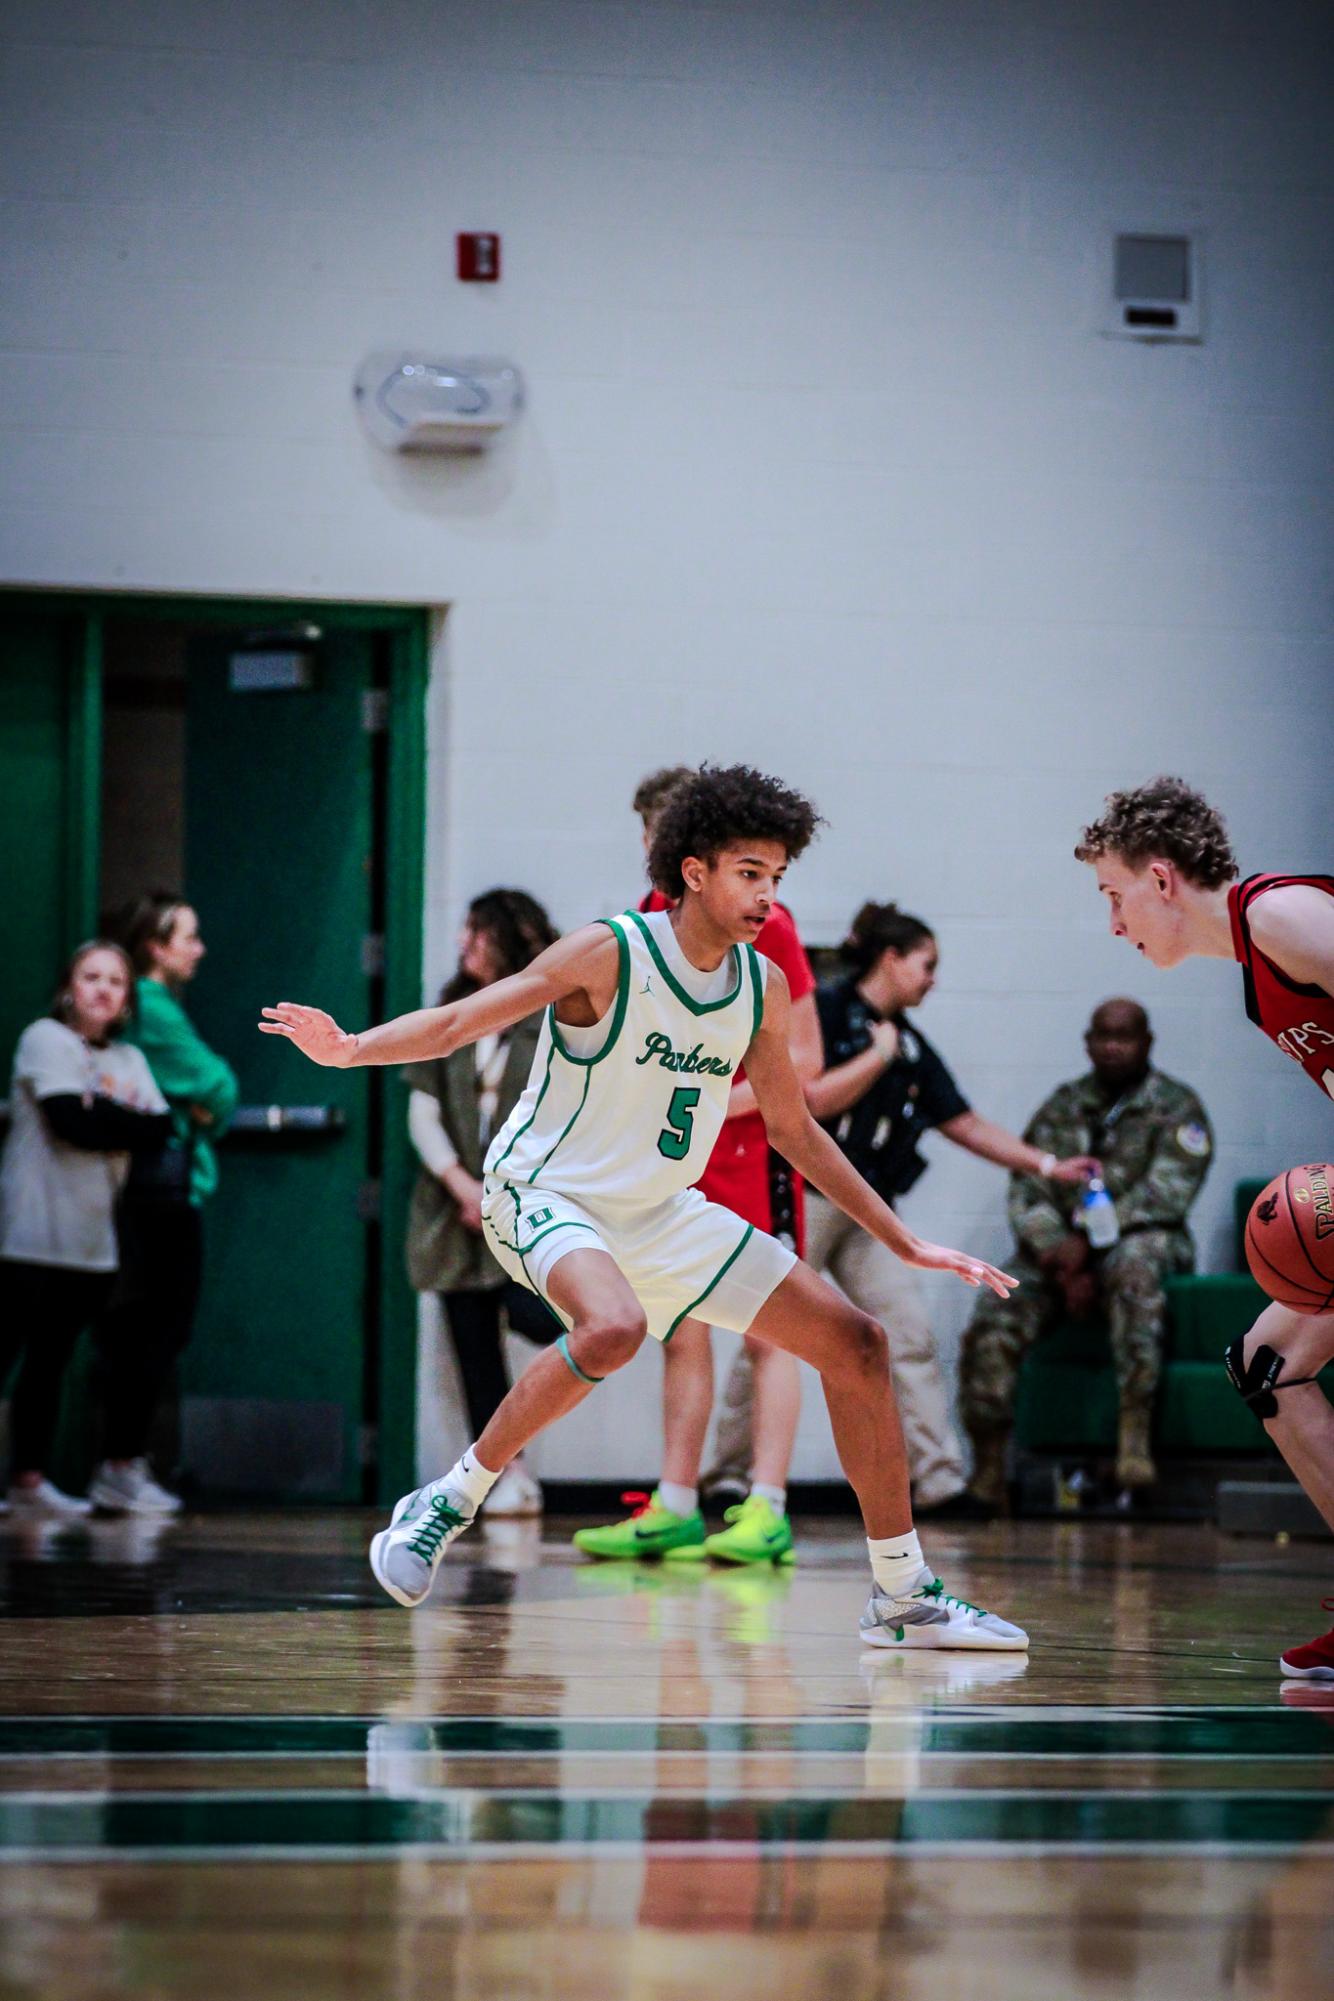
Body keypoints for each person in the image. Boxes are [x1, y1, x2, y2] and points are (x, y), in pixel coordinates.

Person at [264, 764, 1028, 1653]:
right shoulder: (609, 950)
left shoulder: (760, 986)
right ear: (694, 869)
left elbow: (796, 1128)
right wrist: (351, 1047)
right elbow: (465, 1019)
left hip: (663, 1210)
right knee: (614, 1325)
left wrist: (906, 1241)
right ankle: (449, 1499)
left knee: (858, 1344)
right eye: (750, 872)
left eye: (778, 877)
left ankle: (903, 1595)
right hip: (545, 1191)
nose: (768, 896)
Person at [1074, 775, 1333, 1678]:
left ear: (1158, 878)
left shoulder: (1281, 917)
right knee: (1267, 1364)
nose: (1115, 925)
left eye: (1114, 897)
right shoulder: (1259, 980)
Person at [574, 767, 822, 1567]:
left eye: (665, 836)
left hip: (754, 1158)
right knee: (675, 1325)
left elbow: (806, 1062)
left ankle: (768, 1505)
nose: (658, 853)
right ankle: (675, 1502)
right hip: (675, 1164)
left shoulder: (763, 926)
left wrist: (713, 1098)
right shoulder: (638, 929)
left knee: (770, 1331)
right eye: (649, 839)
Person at [805, 902, 1096, 1519]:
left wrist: (1046, 1165)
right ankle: (728, 1483)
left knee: (906, 1334)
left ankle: (938, 1483)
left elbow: (961, 1121)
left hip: (869, 1211)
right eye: (927, 964)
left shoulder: (910, 1042)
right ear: (891, 958)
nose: (934, 978)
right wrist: (875, 1057)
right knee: (771, 1339)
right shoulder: (825, 1012)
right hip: (810, 1198)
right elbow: (811, 1103)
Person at [959, 998, 1213, 1508]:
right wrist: (1057, 1251)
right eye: (1103, 1036)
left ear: (1147, 1043)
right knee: (997, 1299)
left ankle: (1134, 1441)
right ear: (1088, 1042)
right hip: (1059, 1257)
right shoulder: (1063, 1105)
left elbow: (1167, 1194)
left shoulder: (1177, 1107)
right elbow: (1028, 1188)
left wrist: (1090, 1247)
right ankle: (988, 1469)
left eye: (1125, 1037)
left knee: (1134, 1271)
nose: (1114, 1047)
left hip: (1142, 1242)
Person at [403, 888, 564, 1519]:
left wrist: (502, 1191)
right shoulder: (451, 1010)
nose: (465, 944)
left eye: (479, 931)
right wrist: (463, 1187)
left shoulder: (550, 1013)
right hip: (456, 1213)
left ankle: (513, 1455)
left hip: (528, 1205)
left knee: (551, 1318)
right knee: (473, 1344)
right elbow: (423, 1109)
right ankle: (507, 1472)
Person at [0, 943, 170, 1515]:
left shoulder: (129, 1059)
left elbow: (159, 1129)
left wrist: (103, 1113)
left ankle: (28, 1481)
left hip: (91, 1239)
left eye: (116, 981)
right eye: (91, 977)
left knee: (51, 1362)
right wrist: (111, 1117)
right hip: (27, 1233)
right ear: (68, 986)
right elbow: (71, 1119)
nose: (103, 989)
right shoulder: (44, 1039)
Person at [91, 895, 238, 1515]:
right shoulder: (151, 1008)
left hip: (160, 1189)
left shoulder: (156, 1010)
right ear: (156, 946)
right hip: (160, 1194)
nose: (199, 950)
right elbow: (217, 1086)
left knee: (149, 1326)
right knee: (154, 1326)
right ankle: (120, 1463)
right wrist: (200, 1109)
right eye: (189, 937)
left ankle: (121, 1462)